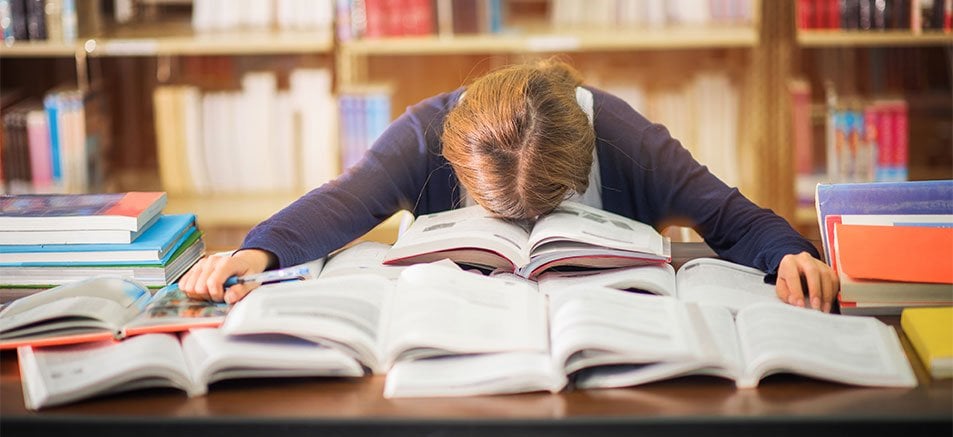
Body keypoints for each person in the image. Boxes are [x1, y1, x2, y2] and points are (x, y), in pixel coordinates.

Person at [179, 59, 839, 312]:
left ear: (584, 157)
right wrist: (257, 252)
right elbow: (343, 199)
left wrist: (790, 254)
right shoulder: (423, 132)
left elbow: (729, 215)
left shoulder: (623, 134)